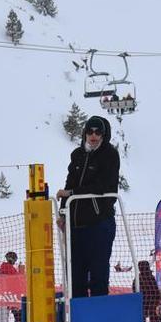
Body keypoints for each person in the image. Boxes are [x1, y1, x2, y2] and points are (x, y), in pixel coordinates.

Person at [57, 115, 120, 298]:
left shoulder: (109, 155)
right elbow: (69, 183)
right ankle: (80, 320)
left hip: (99, 222)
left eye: (98, 132)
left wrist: (73, 193)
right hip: (76, 224)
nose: (93, 136)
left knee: (98, 272)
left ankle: (99, 317)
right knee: (76, 274)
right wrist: (63, 212)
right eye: (90, 131)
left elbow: (106, 186)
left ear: (103, 134)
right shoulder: (78, 155)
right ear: (85, 133)